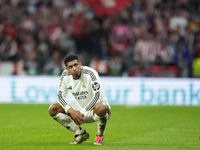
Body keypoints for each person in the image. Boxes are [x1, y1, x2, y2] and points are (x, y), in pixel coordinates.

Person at [48, 54, 111, 145]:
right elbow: (60, 96)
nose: (74, 68)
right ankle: (80, 133)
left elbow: (98, 96)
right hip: (78, 111)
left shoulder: (90, 73)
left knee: (102, 107)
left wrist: (83, 112)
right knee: (53, 109)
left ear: (80, 64)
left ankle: (100, 135)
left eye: (76, 65)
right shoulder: (65, 75)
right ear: (67, 69)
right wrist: (70, 110)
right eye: (71, 67)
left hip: (95, 111)